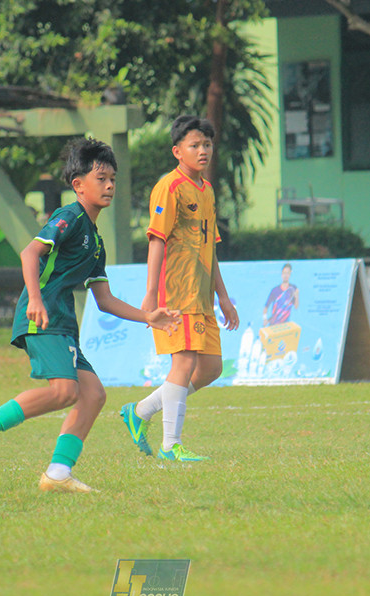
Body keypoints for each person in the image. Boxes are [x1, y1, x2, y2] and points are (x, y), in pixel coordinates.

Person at [0, 138, 179, 493]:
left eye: (112, 180)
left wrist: (147, 317)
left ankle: (58, 474)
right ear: (78, 185)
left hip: (62, 324)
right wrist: (35, 300)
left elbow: (104, 300)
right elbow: (30, 254)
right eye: (101, 178)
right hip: (41, 318)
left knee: (92, 395)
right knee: (64, 391)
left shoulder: (96, 242)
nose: (109, 186)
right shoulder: (69, 217)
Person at [119, 115, 239, 462]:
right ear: (177, 151)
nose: (203, 151)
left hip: (201, 294)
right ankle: (171, 446)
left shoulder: (207, 190)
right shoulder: (169, 187)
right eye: (195, 145)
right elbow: (157, 241)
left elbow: (211, 246)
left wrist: (224, 295)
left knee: (211, 368)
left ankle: (140, 411)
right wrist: (150, 295)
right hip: (175, 293)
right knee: (184, 362)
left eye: (207, 144)